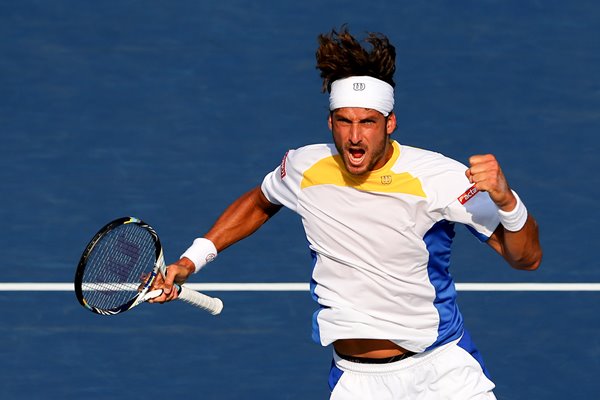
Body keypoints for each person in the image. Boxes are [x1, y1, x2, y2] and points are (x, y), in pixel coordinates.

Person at [151, 26, 542, 399]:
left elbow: (526, 258)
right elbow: (258, 202)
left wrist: (507, 201)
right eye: (345, 121)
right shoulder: (305, 167)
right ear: (331, 122)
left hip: (442, 375)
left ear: (389, 122)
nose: (355, 136)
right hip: (355, 382)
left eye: (368, 122)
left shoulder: (441, 178)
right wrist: (190, 262)